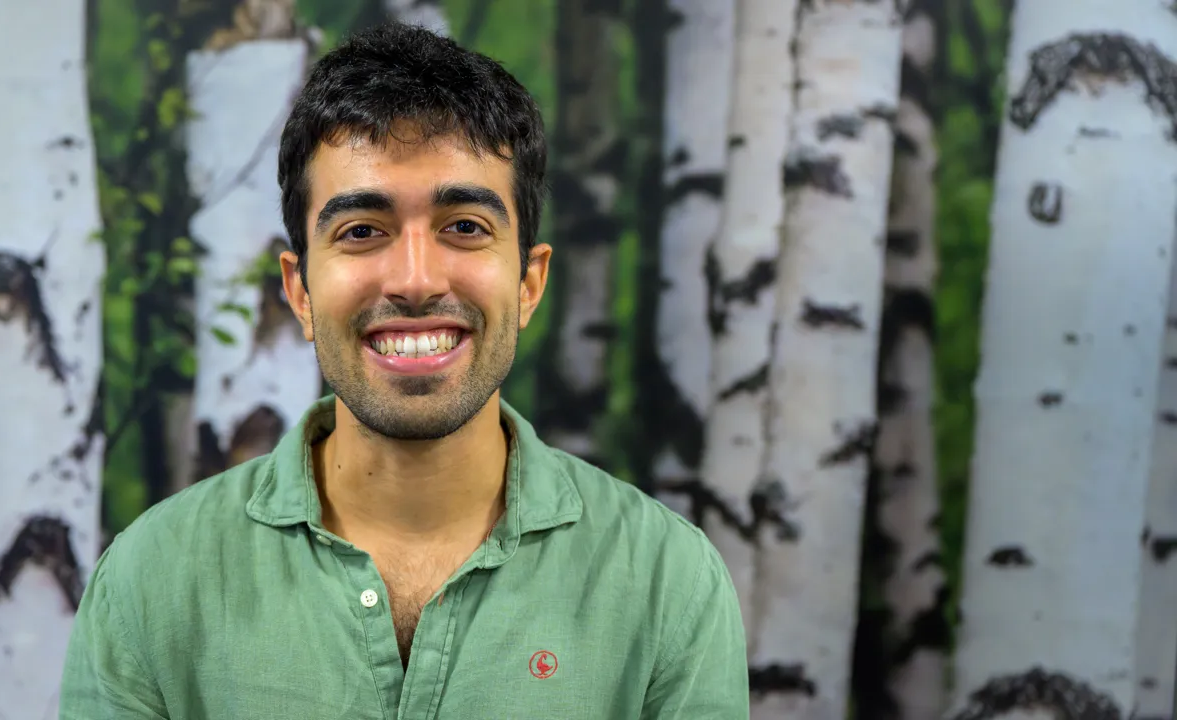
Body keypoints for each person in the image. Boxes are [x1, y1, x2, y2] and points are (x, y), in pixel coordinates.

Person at [59, 22, 749, 719]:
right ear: (298, 292)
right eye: (362, 231)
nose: (416, 280)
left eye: (464, 227)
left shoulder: (668, 584)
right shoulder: (150, 583)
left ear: (528, 284)